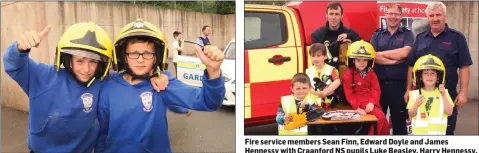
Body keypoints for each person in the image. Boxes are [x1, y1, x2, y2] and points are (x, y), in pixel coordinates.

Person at [3, 22, 170, 153]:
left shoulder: (104, 80)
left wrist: (157, 74)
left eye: (93, 62)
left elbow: (132, 74)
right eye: (80, 61)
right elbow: (13, 65)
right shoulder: (43, 76)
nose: (86, 69)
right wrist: (19, 48)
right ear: (67, 59)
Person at [95, 19, 225, 153]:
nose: (140, 59)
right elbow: (102, 133)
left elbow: (209, 102)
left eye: (147, 53)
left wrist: (213, 71)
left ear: (156, 57)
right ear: (124, 56)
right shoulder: (108, 85)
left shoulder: (163, 84)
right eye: (133, 53)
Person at [405, 2, 473, 135]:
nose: (435, 18)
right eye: (431, 15)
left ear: (445, 17)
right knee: (422, 129)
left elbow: (464, 65)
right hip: (422, 94)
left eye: (438, 15)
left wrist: (464, 91)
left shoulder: (457, 38)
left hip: (446, 93)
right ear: (428, 18)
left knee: (446, 129)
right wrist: (408, 89)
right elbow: (411, 65)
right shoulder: (420, 38)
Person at [371, 3, 414, 135]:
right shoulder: (377, 35)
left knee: (400, 125)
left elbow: (405, 53)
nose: (393, 17)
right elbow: (372, 57)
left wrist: (381, 54)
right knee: (378, 122)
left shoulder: (408, 34)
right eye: (390, 13)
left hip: (399, 88)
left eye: (396, 14)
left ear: (401, 16)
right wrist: (395, 60)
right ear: (386, 15)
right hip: (379, 87)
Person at [342, 40, 389, 135]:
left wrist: (372, 102)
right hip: (358, 103)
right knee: (381, 118)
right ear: (353, 60)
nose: (362, 63)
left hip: (371, 103)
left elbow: (376, 89)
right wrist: (357, 108)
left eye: (365, 60)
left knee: (383, 120)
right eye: (358, 60)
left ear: (369, 61)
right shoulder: (348, 75)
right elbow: (349, 94)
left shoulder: (372, 73)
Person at [407, 54, 454, 135]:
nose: (429, 76)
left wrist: (443, 96)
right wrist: (416, 105)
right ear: (420, 77)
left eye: (432, 73)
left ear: (438, 77)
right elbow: (410, 114)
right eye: (426, 73)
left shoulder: (444, 93)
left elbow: (449, 112)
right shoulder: (414, 94)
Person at [311, 2, 361, 69]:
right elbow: (319, 56)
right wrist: (339, 42)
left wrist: (350, 42)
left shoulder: (350, 33)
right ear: (326, 15)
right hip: (326, 74)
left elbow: (362, 50)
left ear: (341, 15)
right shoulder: (317, 35)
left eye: (337, 14)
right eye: (331, 14)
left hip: (347, 73)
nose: (334, 17)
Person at [305, 43, 341, 108]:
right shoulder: (308, 71)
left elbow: (337, 82)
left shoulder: (331, 69)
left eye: (318, 56)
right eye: (313, 56)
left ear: (325, 56)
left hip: (329, 100)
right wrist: (317, 93)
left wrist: (326, 92)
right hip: (313, 102)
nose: (315, 59)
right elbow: (307, 86)